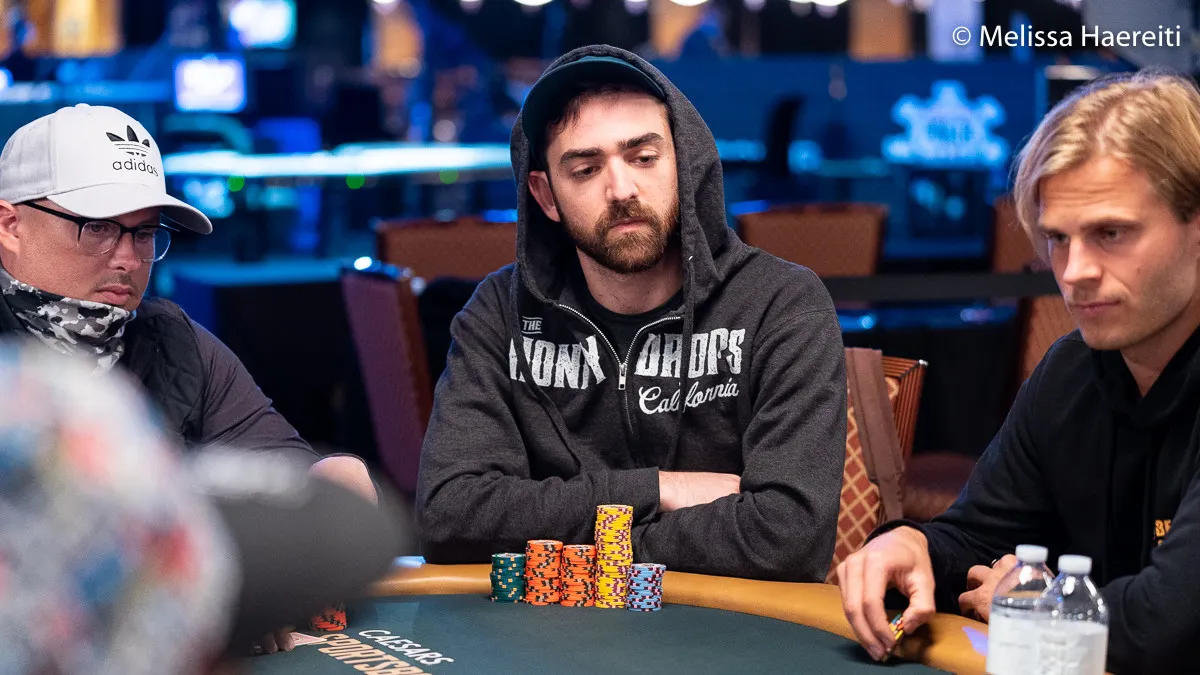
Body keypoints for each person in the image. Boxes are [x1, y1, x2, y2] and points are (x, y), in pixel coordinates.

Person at [416, 45, 846, 582]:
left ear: (682, 162)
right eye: (585, 169)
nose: (621, 190)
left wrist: (579, 540)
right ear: (546, 196)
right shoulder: (500, 313)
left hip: (729, 626)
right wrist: (660, 489)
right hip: (551, 628)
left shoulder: (780, 304)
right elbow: (450, 516)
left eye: (643, 158)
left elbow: (788, 537)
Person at [837, 70, 1200, 673]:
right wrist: (910, 545)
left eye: (1111, 233)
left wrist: (1035, 605)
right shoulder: (1071, 372)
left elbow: (1168, 625)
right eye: (1058, 238)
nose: (1074, 271)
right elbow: (978, 539)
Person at [0, 103, 378, 654]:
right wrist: (194, 585)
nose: (129, 259)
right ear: (10, 226)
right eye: (98, 227)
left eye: (145, 233)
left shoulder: (173, 342)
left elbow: (301, 490)